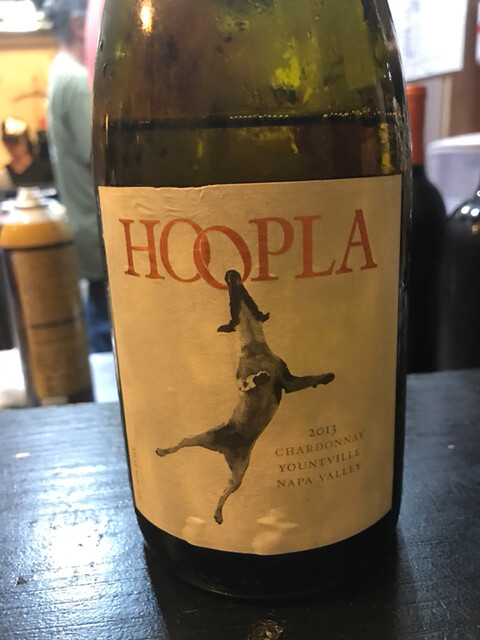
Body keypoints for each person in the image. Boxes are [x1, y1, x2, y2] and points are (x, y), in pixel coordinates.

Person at [43, 0, 111, 352]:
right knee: (105, 323)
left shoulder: (58, 72)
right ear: (76, 24)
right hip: (95, 224)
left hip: (80, 219)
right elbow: (102, 157)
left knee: (98, 311)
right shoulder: (75, 81)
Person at [0, 117, 54, 195]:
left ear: (25, 140)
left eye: (15, 141)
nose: (11, 146)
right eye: (8, 141)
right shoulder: (3, 176)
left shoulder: (45, 171)